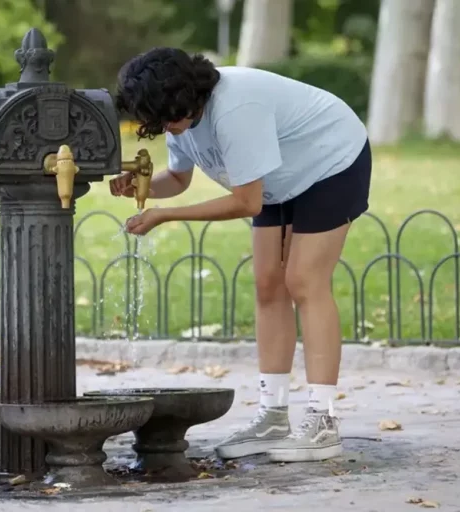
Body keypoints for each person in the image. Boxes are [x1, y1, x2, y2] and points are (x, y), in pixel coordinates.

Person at [109, 48, 372, 463]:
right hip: (275, 177)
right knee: (268, 284)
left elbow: (246, 202)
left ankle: (323, 422)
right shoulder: (181, 117)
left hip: (330, 161)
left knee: (304, 281)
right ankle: (273, 415)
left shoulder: (235, 110)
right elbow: (177, 178)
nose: (165, 129)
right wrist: (139, 185)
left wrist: (166, 215)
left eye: (166, 119)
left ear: (187, 99)